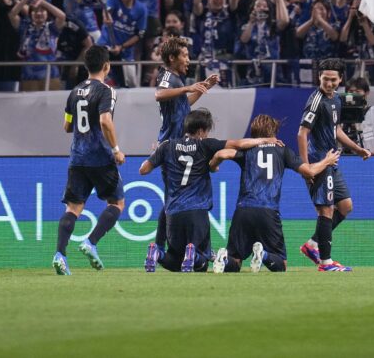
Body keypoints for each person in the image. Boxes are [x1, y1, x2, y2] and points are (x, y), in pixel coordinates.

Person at [139, 108, 280, 273]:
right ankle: (194, 254)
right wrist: (265, 140)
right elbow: (240, 144)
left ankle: (158, 254)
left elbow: (143, 170)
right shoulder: (206, 144)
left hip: (173, 213)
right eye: (206, 131)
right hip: (197, 211)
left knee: (175, 261)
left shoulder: (166, 146)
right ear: (200, 131)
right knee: (202, 263)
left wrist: (159, 155)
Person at [210, 114, 340, 273]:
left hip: (243, 210)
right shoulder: (282, 150)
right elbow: (309, 171)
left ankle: (223, 258)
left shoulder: (247, 150)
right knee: (281, 265)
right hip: (268, 211)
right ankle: (263, 255)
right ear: (273, 132)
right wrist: (327, 160)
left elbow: (220, 154)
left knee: (235, 261)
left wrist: (213, 166)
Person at [147, 37, 220, 270]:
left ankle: (162, 249)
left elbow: (183, 105)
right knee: (175, 196)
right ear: (172, 58)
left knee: (176, 196)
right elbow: (159, 94)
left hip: (177, 143)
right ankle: (166, 246)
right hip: (170, 144)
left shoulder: (176, 80)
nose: (188, 60)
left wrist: (202, 88)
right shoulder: (168, 75)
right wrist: (189, 86)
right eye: (185, 55)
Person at [54, 46, 126, 276]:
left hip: (77, 156)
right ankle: (91, 242)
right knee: (116, 203)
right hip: (100, 157)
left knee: (73, 208)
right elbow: (105, 120)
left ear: (86, 67)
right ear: (107, 66)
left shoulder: (74, 92)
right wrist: (116, 149)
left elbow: (66, 126)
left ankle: (60, 255)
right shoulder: (107, 91)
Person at [298, 58, 371, 272]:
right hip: (319, 161)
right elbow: (302, 133)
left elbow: (336, 129)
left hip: (332, 160)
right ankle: (326, 263)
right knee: (326, 209)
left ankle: (312, 245)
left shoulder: (336, 100)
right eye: (324, 79)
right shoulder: (316, 101)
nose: (328, 83)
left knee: (345, 206)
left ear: (340, 80)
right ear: (319, 78)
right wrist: (306, 167)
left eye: (333, 79)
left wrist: (357, 149)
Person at [344, 77, 374, 154]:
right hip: (350, 161)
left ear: (367, 93)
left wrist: (371, 157)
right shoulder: (341, 115)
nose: (354, 95)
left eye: (358, 91)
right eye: (350, 91)